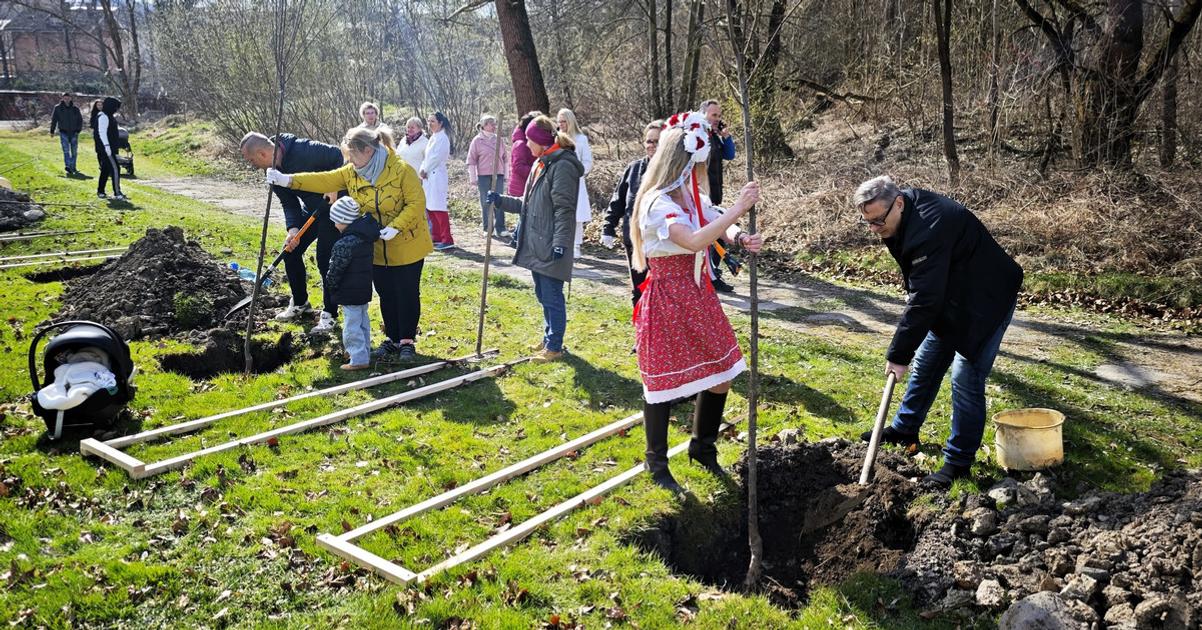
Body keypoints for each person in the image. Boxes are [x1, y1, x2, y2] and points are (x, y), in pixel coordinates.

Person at [853, 175, 1023, 489]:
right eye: (868, 222)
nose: (875, 229)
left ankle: (958, 463)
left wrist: (899, 354)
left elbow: (925, 299)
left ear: (899, 202)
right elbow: (924, 285)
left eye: (878, 221)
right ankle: (905, 429)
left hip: (988, 297)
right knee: (929, 361)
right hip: (953, 292)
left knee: (965, 375)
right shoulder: (899, 215)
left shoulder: (928, 229)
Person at [628, 111, 763, 493]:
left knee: (722, 373)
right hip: (669, 294)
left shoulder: (690, 194)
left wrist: (739, 237)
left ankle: (702, 448)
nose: (698, 171)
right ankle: (656, 463)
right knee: (663, 384)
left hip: (699, 291)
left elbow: (715, 218)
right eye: (694, 164)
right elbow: (691, 239)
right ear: (680, 160)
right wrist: (739, 208)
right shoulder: (656, 201)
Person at [268, 127, 432, 361]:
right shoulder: (354, 171)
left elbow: (416, 203)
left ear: (367, 150)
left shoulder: (401, 170)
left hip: (407, 242)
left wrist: (396, 226)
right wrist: (287, 180)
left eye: (353, 156)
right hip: (376, 244)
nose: (350, 162)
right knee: (385, 292)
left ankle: (406, 341)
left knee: (405, 291)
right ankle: (392, 339)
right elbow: (322, 179)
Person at [486, 115, 583, 362]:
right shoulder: (542, 162)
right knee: (543, 294)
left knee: (552, 295)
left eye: (529, 140)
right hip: (535, 241)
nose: (526, 145)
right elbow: (526, 203)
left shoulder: (562, 166)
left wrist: (561, 243)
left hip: (550, 242)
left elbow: (564, 209)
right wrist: (500, 201)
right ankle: (549, 337)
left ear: (540, 141)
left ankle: (555, 347)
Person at [240, 131, 345, 332]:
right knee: (290, 250)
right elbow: (289, 203)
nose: (252, 165)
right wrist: (293, 229)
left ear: (262, 154)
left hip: (333, 208)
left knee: (324, 260)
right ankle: (300, 303)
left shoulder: (303, 149)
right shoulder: (272, 172)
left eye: (252, 160)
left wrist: (335, 186)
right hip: (312, 210)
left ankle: (329, 315)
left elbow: (338, 156)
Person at [602, 119, 662, 306]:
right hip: (635, 240)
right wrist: (608, 227)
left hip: (660, 242)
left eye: (656, 141)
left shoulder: (671, 172)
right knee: (639, 289)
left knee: (658, 291)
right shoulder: (633, 168)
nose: (652, 145)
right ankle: (641, 330)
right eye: (649, 141)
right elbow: (618, 201)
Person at [324, 196, 380, 370]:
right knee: (362, 322)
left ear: (344, 221)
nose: (334, 226)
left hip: (349, 290)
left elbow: (336, 268)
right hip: (362, 288)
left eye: (336, 222)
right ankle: (362, 351)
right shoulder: (364, 238)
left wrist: (330, 283)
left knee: (351, 325)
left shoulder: (344, 244)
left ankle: (358, 359)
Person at [698, 99, 738, 293]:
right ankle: (711, 276)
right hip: (700, 195)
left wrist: (726, 136)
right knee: (716, 235)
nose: (717, 119)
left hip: (714, 192)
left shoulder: (714, 136)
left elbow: (729, 155)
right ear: (703, 114)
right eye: (714, 115)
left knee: (717, 235)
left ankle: (711, 272)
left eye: (719, 115)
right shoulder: (697, 136)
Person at [465, 114, 509, 239]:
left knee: (499, 200)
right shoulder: (477, 141)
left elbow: (505, 158)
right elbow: (471, 160)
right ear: (484, 126)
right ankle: (487, 228)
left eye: (495, 123)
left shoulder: (498, 139)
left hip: (498, 174)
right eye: (491, 124)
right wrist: (473, 178)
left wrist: (506, 175)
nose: (494, 126)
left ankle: (501, 228)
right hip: (484, 176)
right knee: (486, 201)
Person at [557, 108, 592, 259]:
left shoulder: (581, 139)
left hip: (576, 181)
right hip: (559, 181)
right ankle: (562, 243)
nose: (561, 124)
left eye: (564, 121)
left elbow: (587, 161)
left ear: (570, 121)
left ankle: (576, 245)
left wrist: (578, 172)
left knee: (577, 215)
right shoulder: (557, 138)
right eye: (559, 121)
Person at [421, 111, 454, 250]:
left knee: (438, 207)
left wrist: (425, 169)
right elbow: (427, 156)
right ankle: (437, 236)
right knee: (430, 206)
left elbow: (436, 157)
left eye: (433, 121)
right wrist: (422, 169)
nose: (430, 124)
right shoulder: (433, 137)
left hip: (436, 174)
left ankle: (447, 239)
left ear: (440, 123)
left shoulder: (443, 138)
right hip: (429, 176)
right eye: (428, 121)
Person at [93, 97, 125, 201]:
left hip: (109, 148)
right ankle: (117, 192)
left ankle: (101, 191)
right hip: (106, 148)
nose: (116, 109)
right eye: (115, 107)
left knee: (105, 170)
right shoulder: (103, 117)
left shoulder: (108, 116)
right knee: (115, 169)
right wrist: (107, 147)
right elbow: (102, 133)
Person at [507, 111, 540, 197]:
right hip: (520, 189)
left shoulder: (531, 142)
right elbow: (518, 166)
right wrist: (538, 171)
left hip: (528, 185)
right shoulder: (520, 143)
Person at [50, 92, 83, 175]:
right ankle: (68, 166)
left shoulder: (75, 108)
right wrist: (52, 131)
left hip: (74, 133)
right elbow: (54, 120)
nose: (66, 99)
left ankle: (73, 166)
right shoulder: (57, 108)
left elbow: (80, 120)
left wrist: (78, 130)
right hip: (63, 132)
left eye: (68, 97)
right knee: (66, 150)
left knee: (74, 151)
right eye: (65, 97)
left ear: (70, 98)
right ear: (62, 98)